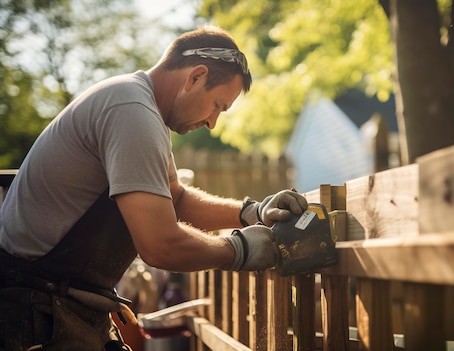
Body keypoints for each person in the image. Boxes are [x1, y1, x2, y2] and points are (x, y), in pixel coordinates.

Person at [0, 24, 308, 350]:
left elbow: (176, 199)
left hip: (60, 301)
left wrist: (251, 212)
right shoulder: (132, 112)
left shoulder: (141, 110)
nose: (213, 122)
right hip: (32, 311)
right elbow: (160, 245)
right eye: (218, 105)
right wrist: (239, 250)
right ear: (195, 77)